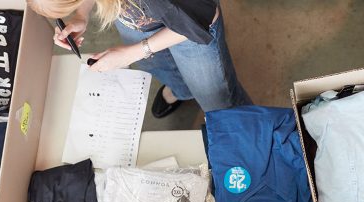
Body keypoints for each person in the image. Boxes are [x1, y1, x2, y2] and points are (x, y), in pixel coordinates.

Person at [31, 0, 252, 117]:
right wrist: (81, 14)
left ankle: (245, 136)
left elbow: (203, 18)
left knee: (218, 101)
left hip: (189, 30)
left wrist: (133, 53)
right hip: (138, 17)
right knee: (159, 67)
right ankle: (182, 91)